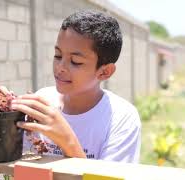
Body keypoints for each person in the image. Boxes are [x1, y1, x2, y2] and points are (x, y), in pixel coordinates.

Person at [11, 10, 141, 163]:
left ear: (105, 72)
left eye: (76, 61)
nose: (60, 67)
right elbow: (23, 169)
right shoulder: (43, 102)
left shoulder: (122, 119)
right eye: (58, 56)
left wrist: (68, 141)